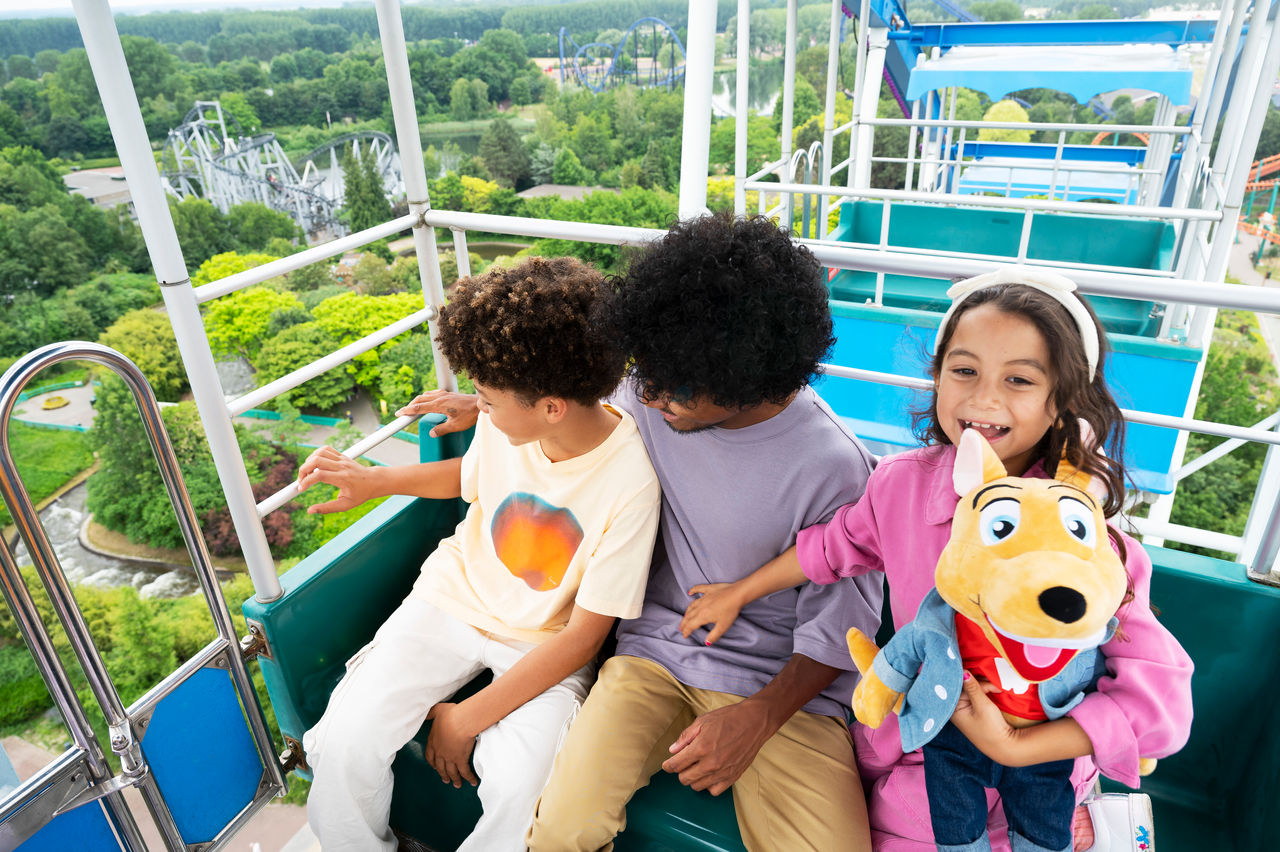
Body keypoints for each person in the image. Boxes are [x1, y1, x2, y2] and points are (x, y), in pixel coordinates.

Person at [404, 214, 882, 851]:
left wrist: (759, 718)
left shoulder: (835, 468)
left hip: (778, 686)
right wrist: (494, 404)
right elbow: (575, 406)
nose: (652, 396)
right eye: (645, 371)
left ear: (752, 376)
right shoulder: (652, 391)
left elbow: (838, 629)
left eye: (677, 387)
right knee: (560, 829)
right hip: (651, 657)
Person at [680, 266, 1195, 852]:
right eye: (965, 371)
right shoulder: (900, 486)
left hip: (1045, 789)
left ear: (1061, 404)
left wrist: (1012, 747)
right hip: (919, 770)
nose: (983, 398)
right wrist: (740, 591)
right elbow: (832, 547)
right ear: (937, 376)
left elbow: (1159, 707)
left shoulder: (1091, 546)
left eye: (1019, 380)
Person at [298, 256, 662, 852]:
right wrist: (373, 482)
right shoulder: (511, 421)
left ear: (551, 407)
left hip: (547, 643)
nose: (476, 408)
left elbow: (585, 637)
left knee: (524, 790)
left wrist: (467, 718)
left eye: (486, 400)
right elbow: (472, 477)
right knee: (345, 737)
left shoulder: (631, 481)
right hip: (453, 598)